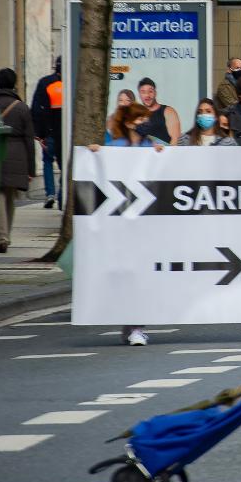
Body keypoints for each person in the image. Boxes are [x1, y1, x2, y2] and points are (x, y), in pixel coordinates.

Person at [88, 104, 164, 348]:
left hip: (146, 227)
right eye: (141, 118)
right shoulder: (115, 148)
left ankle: (137, 326)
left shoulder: (151, 147)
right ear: (130, 122)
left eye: (147, 118)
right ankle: (131, 324)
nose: (146, 122)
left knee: (141, 274)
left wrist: (163, 155)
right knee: (125, 274)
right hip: (120, 226)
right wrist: (96, 155)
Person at [0, 68, 35, 254]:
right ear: (15, 83)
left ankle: (2, 237)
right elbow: (29, 139)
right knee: (10, 197)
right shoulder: (22, 107)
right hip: (18, 156)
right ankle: (5, 235)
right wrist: (31, 169)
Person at [30, 56, 63, 209]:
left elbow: (37, 110)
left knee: (48, 162)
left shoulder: (45, 83)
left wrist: (39, 134)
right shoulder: (70, 82)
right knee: (65, 165)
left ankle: (50, 194)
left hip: (49, 134)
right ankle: (63, 195)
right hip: (65, 134)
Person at [137, 77, 181, 144]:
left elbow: (175, 140)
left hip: (166, 153)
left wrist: (168, 154)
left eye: (150, 91)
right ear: (139, 95)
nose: (147, 95)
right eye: (143, 92)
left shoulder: (168, 111)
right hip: (143, 154)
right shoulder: (137, 115)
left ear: (155, 93)